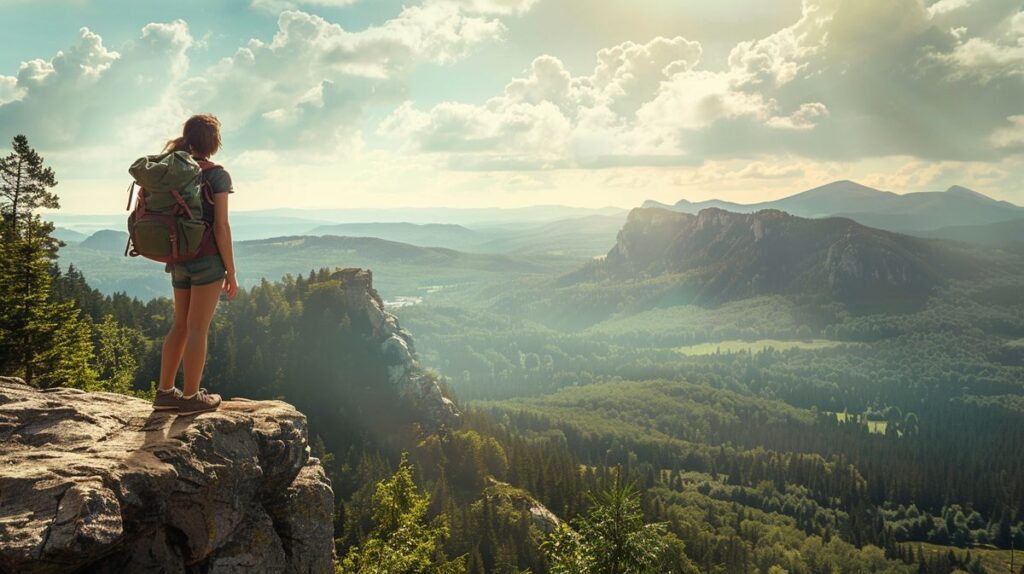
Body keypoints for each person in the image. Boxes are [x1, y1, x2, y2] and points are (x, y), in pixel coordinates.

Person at [151, 114, 238, 414]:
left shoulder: (173, 169)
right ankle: (190, 398)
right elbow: (221, 227)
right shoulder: (217, 176)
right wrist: (231, 271)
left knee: (180, 325)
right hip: (207, 261)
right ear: (213, 143)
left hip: (178, 259)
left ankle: (164, 393)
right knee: (198, 328)